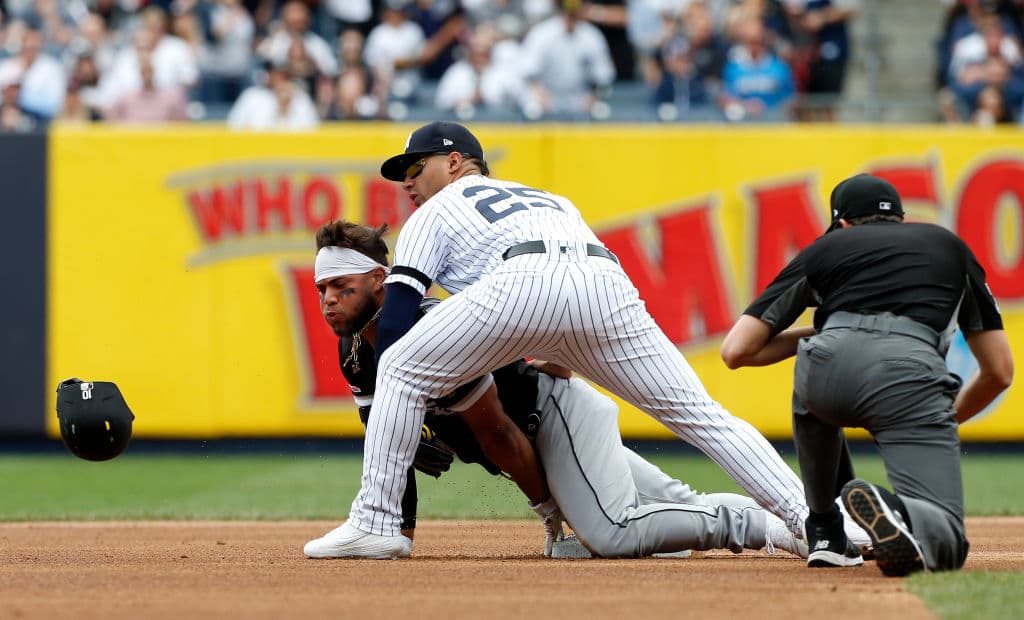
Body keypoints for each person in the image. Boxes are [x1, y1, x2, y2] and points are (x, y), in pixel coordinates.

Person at [303, 120, 867, 558]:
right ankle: (820, 524)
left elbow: (399, 317)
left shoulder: (437, 209)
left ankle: (378, 524)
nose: (406, 181)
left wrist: (405, 395)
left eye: (415, 167)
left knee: (399, 364)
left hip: (520, 284)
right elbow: (556, 291)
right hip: (603, 284)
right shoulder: (548, 197)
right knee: (702, 415)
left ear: (454, 164)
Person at [303, 220, 807, 560]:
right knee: (670, 500)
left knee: (610, 531)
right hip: (543, 432)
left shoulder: (426, 327)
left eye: (340, 286)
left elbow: (498, 434)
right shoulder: (354, 353)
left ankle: (769, 528)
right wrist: (400, 532)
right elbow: (384, 445)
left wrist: (551, 513)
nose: (329, 300)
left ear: (378, 280)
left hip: (552, 419)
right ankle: (813, 516)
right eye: (322, 290)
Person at [720, 173, 1013, 575]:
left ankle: (825, 529)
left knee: (810, 378)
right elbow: (1000, 372)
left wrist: (825, 333)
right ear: (900, 219)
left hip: (828, 370)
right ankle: (891, 508)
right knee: (945, 545)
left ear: (841, 224)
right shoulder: (949, 247)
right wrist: (947, 418)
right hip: (911, 376)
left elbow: (737, 351)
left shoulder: (825, 249)